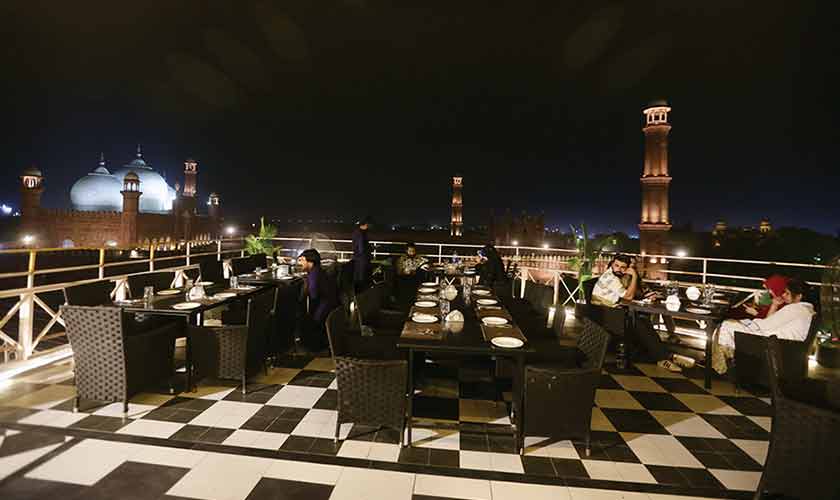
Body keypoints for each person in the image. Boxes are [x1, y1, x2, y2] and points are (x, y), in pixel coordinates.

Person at [591, 254, 694, 372]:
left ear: (627, 267)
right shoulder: (610, 278)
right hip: (603, 315)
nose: (619, 269)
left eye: (623, 267)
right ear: (612, 264)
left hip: (611, 310)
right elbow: (628, 296)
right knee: (639, 322)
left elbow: (625, 296)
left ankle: (664, 357)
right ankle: (665, 357)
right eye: (616, 265)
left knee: (642, 321)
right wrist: (634, 276)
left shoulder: (617, 276)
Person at [712, 278, 815, 374]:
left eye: (787, 293)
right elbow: (770, 322)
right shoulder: (805, 310)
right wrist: (774, 305)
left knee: (726, 325)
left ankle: (724, 364)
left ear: (799, 296)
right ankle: (726, 361)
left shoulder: (795, 309)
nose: (783, 295)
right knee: (730, 324)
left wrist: (744, 323)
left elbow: (766, 324)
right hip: (784, 346)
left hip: (773, 346)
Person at [297, 249, 338, 351]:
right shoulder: (318, 271)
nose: (300, 263)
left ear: (310, 262)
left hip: (322, 309)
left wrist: (305, 290)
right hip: (331, 306)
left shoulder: (314, 275)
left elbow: (313, 296)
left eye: (302, 260)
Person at [351, 217, 373, 292]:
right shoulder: (361, 234)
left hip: (357, 257)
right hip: (362, 258)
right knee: (361, 277)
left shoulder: (356, 232)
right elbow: (361, 248)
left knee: (357, 277)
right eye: (367, 225)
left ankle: (356, 292)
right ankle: (361, 292)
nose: (368, 227)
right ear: (364, 225)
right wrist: (370, 249)